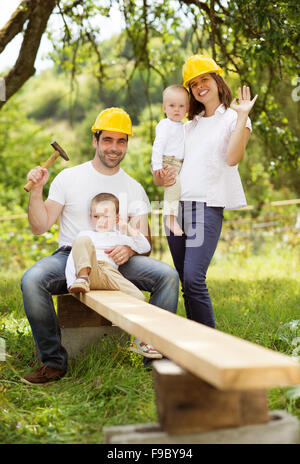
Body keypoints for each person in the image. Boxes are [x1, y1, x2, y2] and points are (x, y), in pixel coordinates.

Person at [21, 107, 179, 385]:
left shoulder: (134, 188)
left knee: (168, 276)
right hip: (71, 256)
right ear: (95, 141)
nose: (114, 147)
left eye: (121, 141)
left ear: (127, 144)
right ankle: (53, 363)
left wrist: (129, 249)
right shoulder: (69, 178)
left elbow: (145, 243)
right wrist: (36, 191)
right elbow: (39, 226)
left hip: (117, 260)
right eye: (108, 140)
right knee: (32, 280)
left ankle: (155, 358)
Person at [153, 55, 257, 328]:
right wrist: (161, 175)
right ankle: (193, 346)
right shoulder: (188, 125)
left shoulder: (235, 118)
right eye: (194, 83)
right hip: (177, 209)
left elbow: (233, 158)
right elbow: (169, 167)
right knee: (184, 281)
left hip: (206, 207)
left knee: (193, 278)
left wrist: (243, 114)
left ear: (217, 80)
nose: (200, 86)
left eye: (205, 79)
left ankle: (211, 347)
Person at [66, 191, 162, 359]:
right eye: (96, 216)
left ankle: (140, 340)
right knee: (81, 242)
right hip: (89, 270)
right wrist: (72, 281)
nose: (100, 221)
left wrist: (128, 228)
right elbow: (72, 259)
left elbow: (145, 247)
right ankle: (82, 279)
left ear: (117, 219)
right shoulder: (87, 235)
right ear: (90, 216)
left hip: (110, 273)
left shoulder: (120, 238)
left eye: (106, 217)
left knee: (139, 298)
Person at [151, 85, 189, 236]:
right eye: (172, 106)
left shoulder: (184, 126)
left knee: (177, 187)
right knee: (174, 184)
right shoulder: (165, 125)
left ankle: (174, 216)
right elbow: (157, 146)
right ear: (164, 108)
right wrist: (157, 166)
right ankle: (170, 218)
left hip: (178, 162)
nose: (176, 109)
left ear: (187, 109)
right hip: (166, 161)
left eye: (181, 106)